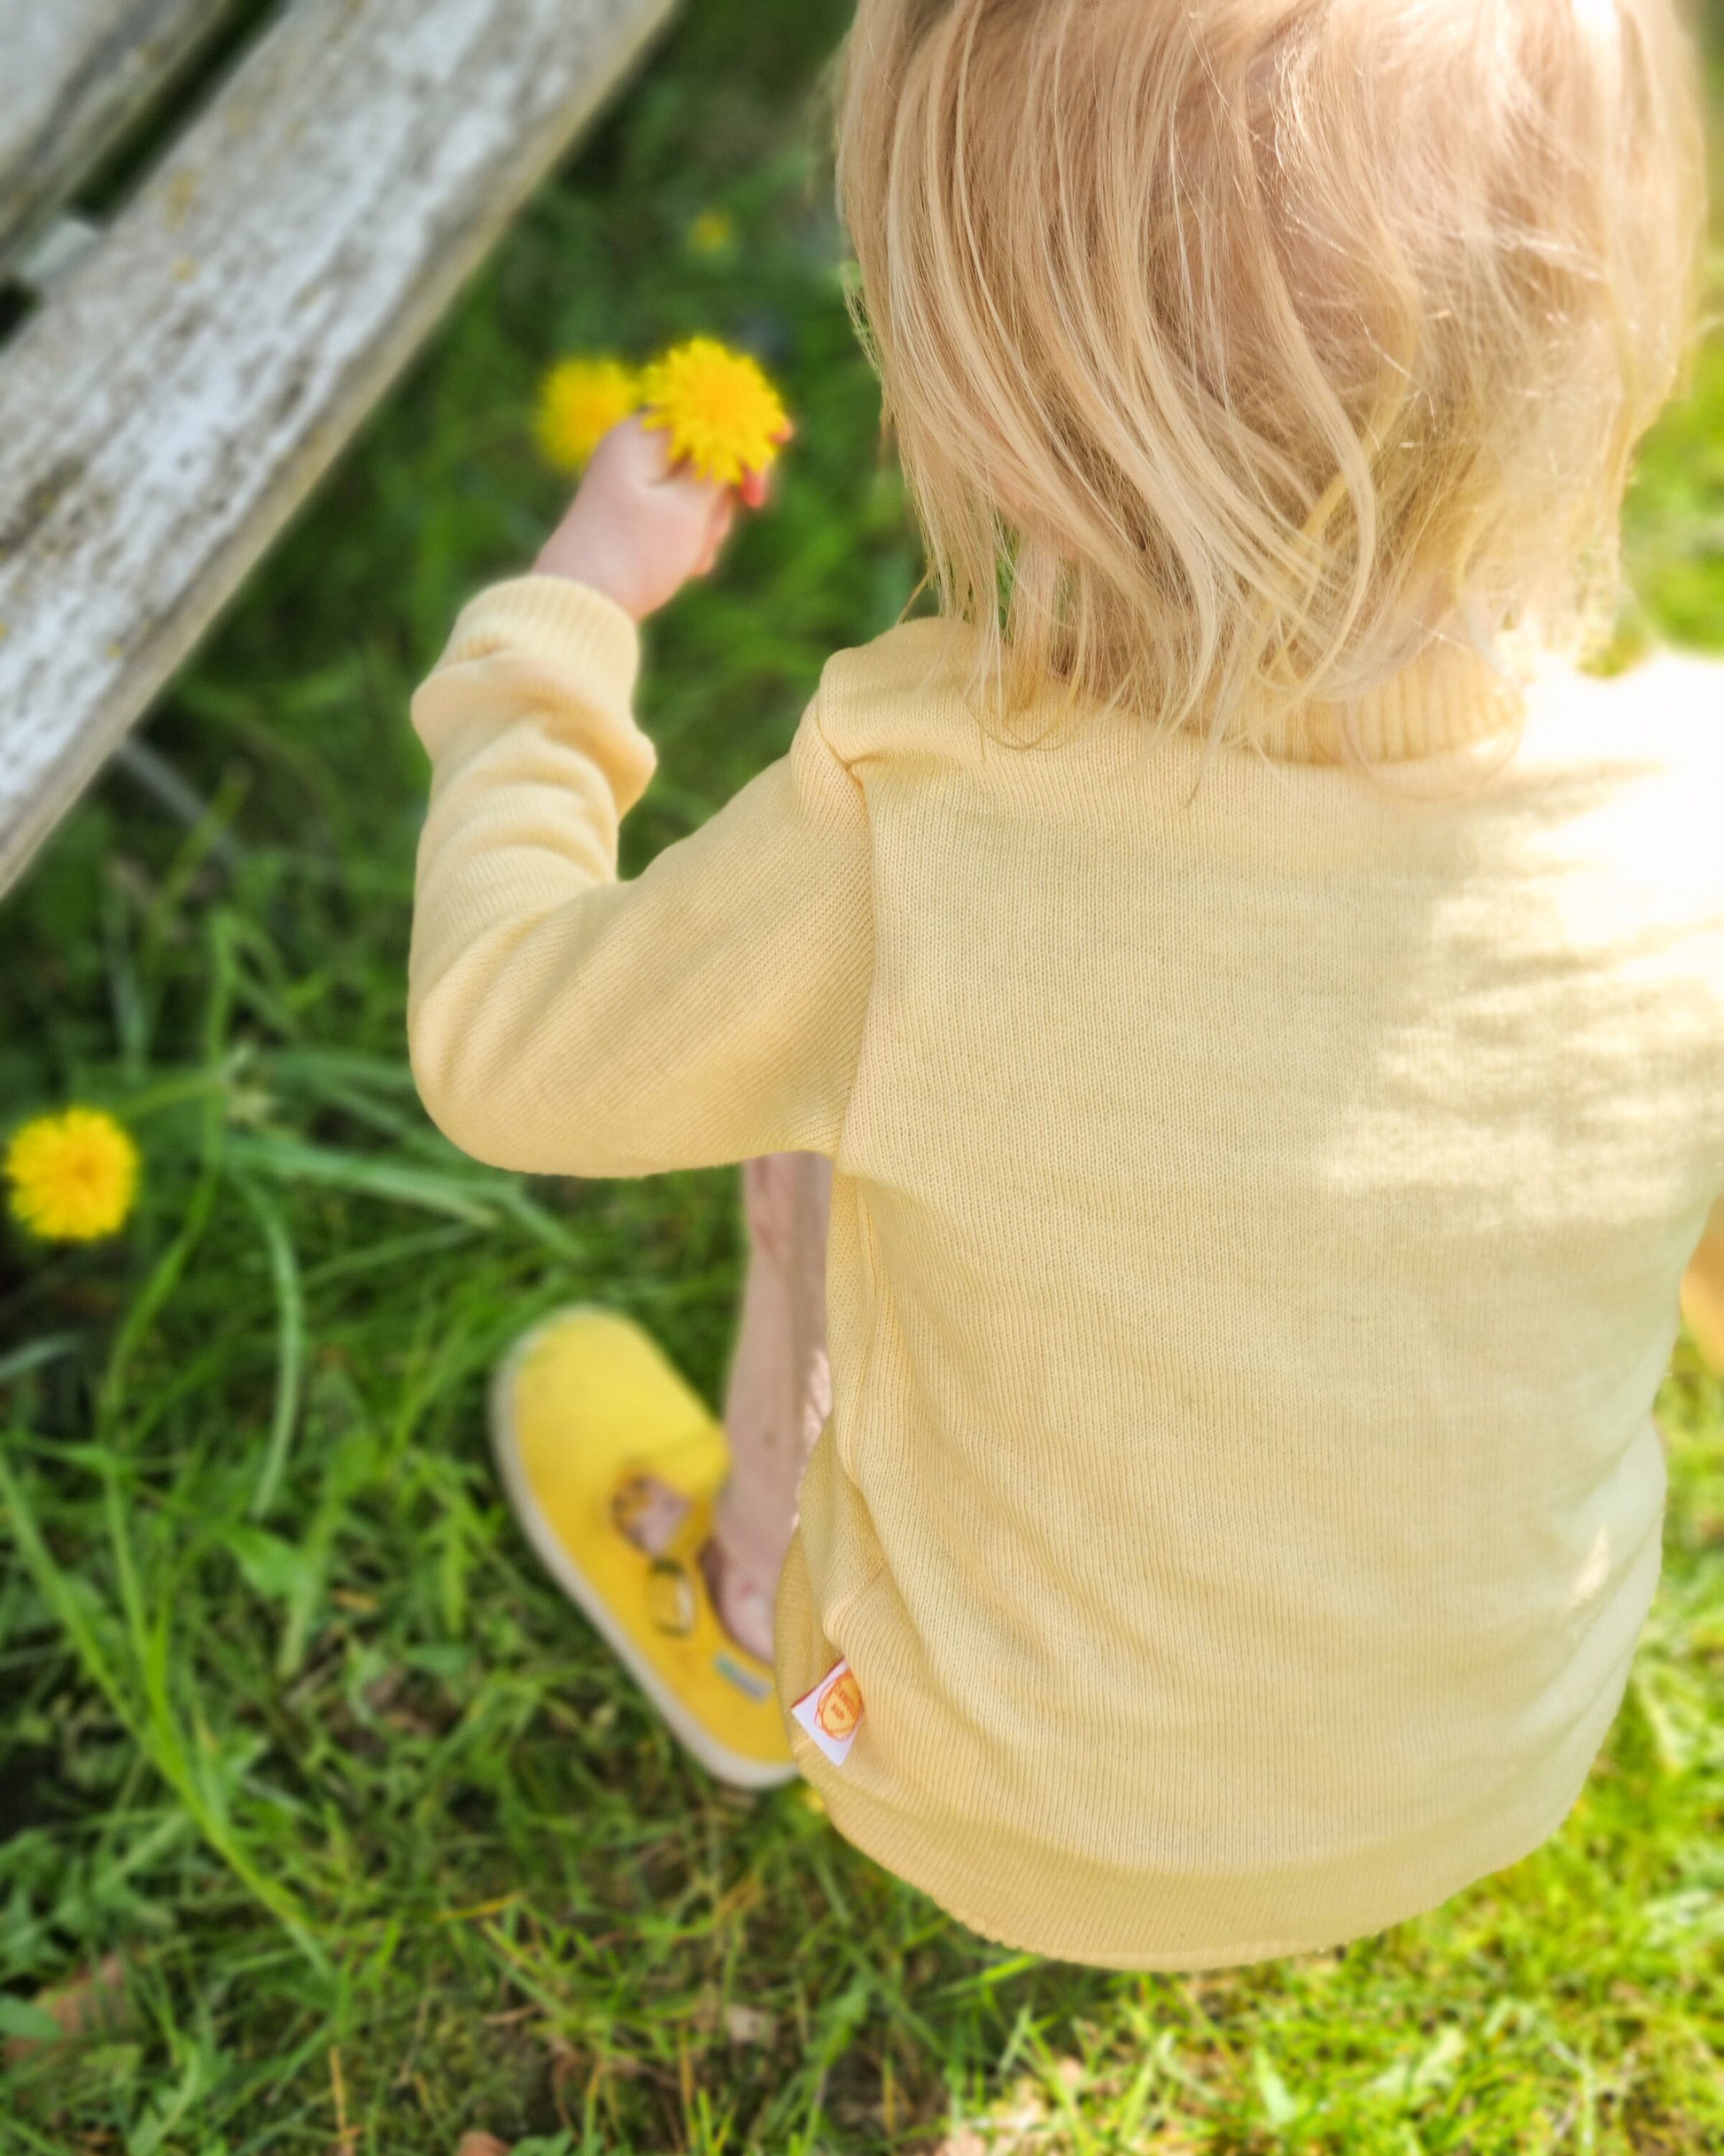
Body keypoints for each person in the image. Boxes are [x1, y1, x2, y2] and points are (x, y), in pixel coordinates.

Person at [405, 0, 1724, 1969]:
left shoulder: (921, 826)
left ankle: (759, 1613)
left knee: (815, 1104)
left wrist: (565, 621)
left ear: (997, 405)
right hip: (1482, 1772)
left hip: (962, 1786)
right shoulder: (1694, 831)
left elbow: (503, 1044)